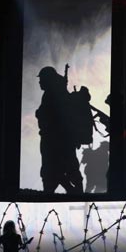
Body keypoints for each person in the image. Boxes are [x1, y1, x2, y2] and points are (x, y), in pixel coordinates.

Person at [36, 66, 83, 194]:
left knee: (52, 169)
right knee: (66, 166)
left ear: (48, 79)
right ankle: (75, 190)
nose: (40, 82)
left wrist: (39, 113)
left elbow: (51, 115)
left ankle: (55, 193)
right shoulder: (57, 92)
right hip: (62, 139)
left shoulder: (52, 94)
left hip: (54, 139)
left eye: (42, 79)